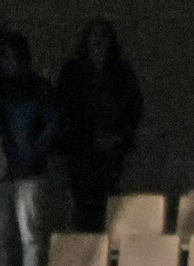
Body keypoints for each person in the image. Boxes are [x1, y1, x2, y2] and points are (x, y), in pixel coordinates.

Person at [55, 19, 143, 232]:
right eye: (93, 35)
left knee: (110, 202)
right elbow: (65, 108)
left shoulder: (121, 72)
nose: (98, 40)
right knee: (83, 203)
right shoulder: (73, 71)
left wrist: (117, 136)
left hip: (112, 150)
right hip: (80, 150)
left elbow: (133, 109)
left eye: (103, 36)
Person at [0, 33, 58, 266]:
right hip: (2, 174)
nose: (7, 60)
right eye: (3, 55)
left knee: (30, 238)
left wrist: (32, 153)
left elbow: (52, 125)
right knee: (1, 238)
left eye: (11, 54)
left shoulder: (40, 88)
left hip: (30, 173)